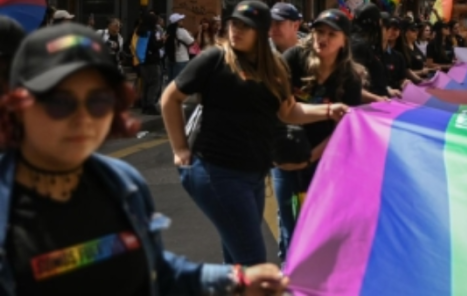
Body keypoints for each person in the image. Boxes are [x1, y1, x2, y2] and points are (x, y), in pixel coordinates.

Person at [2, 23, 287, 295]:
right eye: (60, 102)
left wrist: (235, 280)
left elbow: (155, 271)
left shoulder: (122, 183)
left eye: (99, 100)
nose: (83, 118)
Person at [159, 0, 349, 266]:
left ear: (260, 32)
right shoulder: (215, 59)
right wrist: (179, 148)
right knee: (253, 262)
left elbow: (288, 111)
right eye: (234, 24)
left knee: (238, 261)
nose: (236, 30)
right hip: (216, 171)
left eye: (245, 26)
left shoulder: (275, 67)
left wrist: (329, 111)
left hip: (253, 175)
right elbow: (170, 98)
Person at [274, 9, 362, 264]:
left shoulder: (350, 78)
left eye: (331, 34)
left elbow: (343, 130)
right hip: (284, 158)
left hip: (324, 161)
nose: (323, 38)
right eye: (319, 32)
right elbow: (275, 106)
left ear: (344, 41)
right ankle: (290, 274)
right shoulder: (293, 59)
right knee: (291, 227)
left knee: (319, 227)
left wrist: (310, 158)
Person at [133, 13, 164, 115]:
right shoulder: (151, 32)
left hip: (143, 61)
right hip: (152, 61)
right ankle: (151, 105)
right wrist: (163, 41)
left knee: (146, 84)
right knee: (154, 84)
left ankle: (145, 105)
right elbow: (154, 46)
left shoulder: (142, 32)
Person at [164, 14, 195, 82]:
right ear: (177, 22)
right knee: (179, 82)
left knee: (171, 81)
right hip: (181, 59)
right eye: (180, 20)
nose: (182, 21)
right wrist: (190, 35)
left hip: (170, 59)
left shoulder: (167, 32)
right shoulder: (182, 31)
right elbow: (191, 42)